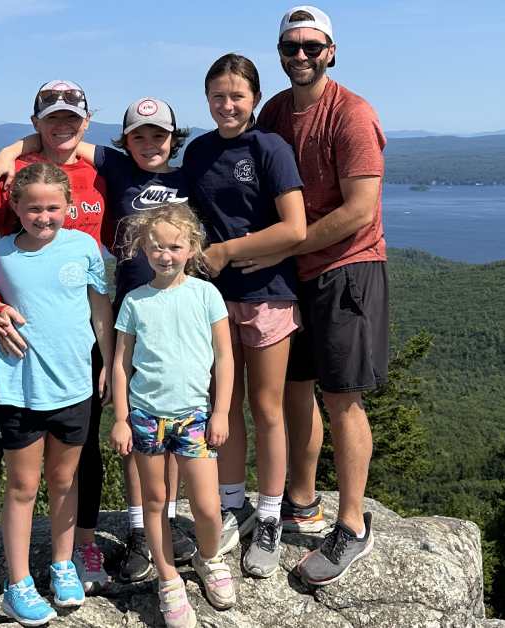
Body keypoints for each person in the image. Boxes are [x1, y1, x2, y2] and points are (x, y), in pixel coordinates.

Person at [0, 97, 199, 582]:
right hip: (133, 312)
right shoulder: (117, 166)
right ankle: (141, 530)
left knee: (172, 415)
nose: (150, 144)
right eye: (138, 135)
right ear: (125, 141)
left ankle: (167, 522)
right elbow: (62, 139)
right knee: (136, 421)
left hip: (182, 314)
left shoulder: (191, 176)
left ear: (173, 137)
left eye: (159, 135)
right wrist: (7, 152)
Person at [234, 6, 389, 586]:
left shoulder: (351, 114)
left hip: (347, 269)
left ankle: (352, 526)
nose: (300, 55)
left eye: (311, 46)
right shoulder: (273, 111)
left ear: (331, 51)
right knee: (295, 388)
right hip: (290, 273)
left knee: (342, 396)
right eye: (290, 47)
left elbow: (358, 210)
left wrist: (285, 245)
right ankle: (301, 499)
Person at [0, 79, 111, 598]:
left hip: (78, 342)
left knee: (81, 458)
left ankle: (79, 546)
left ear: (87, 122)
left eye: (73, 119)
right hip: (14, 342)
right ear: (35, 123)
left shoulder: (103, 171)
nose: (63, 127)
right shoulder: (11, 175)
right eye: (51, 119)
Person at [180, 53, 306, 577]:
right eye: (217, 96)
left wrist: (229, 251)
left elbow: (295, 228)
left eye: (236, 96)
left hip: (268, 292)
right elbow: (184, 215)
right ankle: (233, 505)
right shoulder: (199, 151)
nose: (227, 105)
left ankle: (271, 516)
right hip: (212, 298)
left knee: (266, 406)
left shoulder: (270, 148)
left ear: (254, 98)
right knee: (223, 406)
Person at [0, 162, 114, 624]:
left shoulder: (85, 247)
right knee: (22, 486)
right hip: (20, 388)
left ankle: (63, 565)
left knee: (65, 480)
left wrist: (111, 365)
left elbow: (101, 311)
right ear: (15, 207)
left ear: (69, 207)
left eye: (53, 207)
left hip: (74, 383)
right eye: (33, 207)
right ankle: (18, 583)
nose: (44, 216)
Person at [109, 204, 236, 628]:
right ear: (144, 250)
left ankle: (210, 558)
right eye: (156, 247)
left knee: (205, 505)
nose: (165, 254)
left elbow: (225, 357)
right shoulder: (134, 301)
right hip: (146, 416)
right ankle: (168, 580)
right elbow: (121, 364)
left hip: (195, 417)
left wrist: (220, 413)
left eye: (175, 246)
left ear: (192, 248)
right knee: (156, 501)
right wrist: (122, 418)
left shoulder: (206, 295)